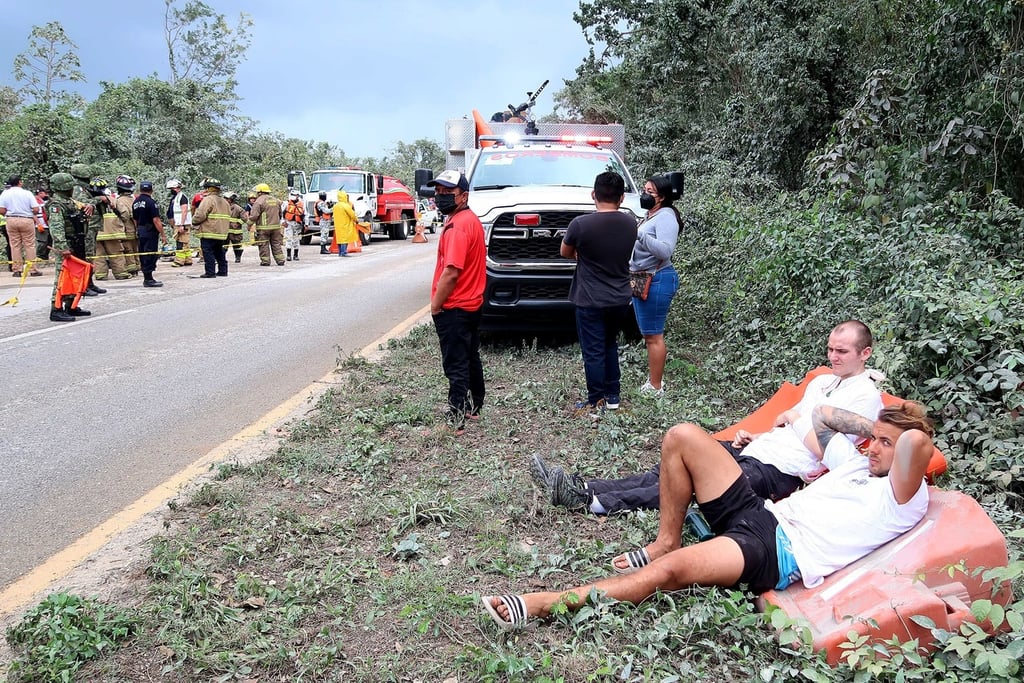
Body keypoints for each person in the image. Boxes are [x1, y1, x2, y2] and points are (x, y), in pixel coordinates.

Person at [482, 401, 935, 629]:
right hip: (761, 513)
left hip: (774, 552)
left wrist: (907, 427)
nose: (873, 447)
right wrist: (875, 428)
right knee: (682, 436)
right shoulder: (858, 461)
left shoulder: (902, 496)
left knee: (672, 572)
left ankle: (545, 603)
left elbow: (916, 445)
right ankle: (665, 538)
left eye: (884, 444)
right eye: (873, 439)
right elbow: (820, 417)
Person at [533, 321, 882, 515]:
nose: (832, 356)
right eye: (830, 349)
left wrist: (795, 417)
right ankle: (585, 486)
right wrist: (759, 437)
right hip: (760, 451)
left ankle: (594, 503)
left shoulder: (865, 397)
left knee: (693, 484)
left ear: (865, 353)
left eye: (842, 351)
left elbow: (828, 452)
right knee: (670, 469)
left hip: (781, 473)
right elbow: (790, 425)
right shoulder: (823, 381)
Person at [561, 171, 637, 415]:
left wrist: (580, 252)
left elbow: (565, 251)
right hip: (619, 298)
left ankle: (596, 400)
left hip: (590, 298)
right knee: (609, 345)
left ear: (594, 194)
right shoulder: (630, 222)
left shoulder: (580, 225)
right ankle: (613, 396)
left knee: (593, 350)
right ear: (622, 197)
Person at [427, 170, 487, 435]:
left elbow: (451, 271)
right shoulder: (470, 219)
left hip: (455, 307)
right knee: (470, 356)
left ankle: (456, 418)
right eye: (437, 192)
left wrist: (436, 305)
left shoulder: (458, 226)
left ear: (463, 196)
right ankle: (475, 406)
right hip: (472, 304)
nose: (440, 198)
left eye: (447, 193)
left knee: (456, 363)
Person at [632, 175, 681, 396]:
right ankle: (653, 381)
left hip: (658, 278)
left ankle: (656, 386)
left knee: (654, 336)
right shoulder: (650, 215)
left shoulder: (666, 217)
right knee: (649, 334)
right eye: (644, 190)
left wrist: (640, 236)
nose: (644, 195)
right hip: (643, 278)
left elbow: (665, 250)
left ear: (661, 197)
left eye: (650, 192)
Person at [44, 172, 89, 322]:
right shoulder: (56, 205)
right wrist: (63, 248)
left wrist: (89, 206)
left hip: (75, 242)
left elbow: (84, 207)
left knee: (75, 275)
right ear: (63, 188)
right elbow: (56, 229)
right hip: (66, 245)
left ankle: (71, 305)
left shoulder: (69, 201)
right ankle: (56, 308)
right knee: (62, 276)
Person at [69, 163, 107, 296]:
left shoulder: (83, 189)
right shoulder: (78, 189)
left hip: (91, 227)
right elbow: (83, 204)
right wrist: (98, 199)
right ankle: (84, 285)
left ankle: (89, 283)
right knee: (86, 256)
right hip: (86, 228)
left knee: (90, 256)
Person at [0, 174, 43, 277]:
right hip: (26, 219)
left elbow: (1, 210)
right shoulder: (27, 193)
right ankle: (32, 269)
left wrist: (10, 213)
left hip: (11, 219)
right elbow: (36, 209)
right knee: (29, 245)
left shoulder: (5, 194)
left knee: (14, 245)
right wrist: (29, 212)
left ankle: (17, 270)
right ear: (20, 182)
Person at [90, 177, 130, 281]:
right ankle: (121, 273)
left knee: (98, 255)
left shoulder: (89, 202)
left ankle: (101, 275)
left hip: (95, 234)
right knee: (116, 254)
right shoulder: (112, 200)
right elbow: (125, 215)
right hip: (113, 233)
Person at [192, 178, 232, 278]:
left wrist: (193, 221)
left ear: (209, 188)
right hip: (221, 233)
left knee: (208, 251)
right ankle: (223, 271)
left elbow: (200, 215)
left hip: (209, 231)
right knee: (219, 251)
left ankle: (210, 272)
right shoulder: (225, 201)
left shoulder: (208, 200)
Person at [131, 181, 168, 287]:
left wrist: (138, 229)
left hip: (141, 231)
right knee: (150, 254)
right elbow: (156, 220)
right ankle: (148, 279)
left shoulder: (136, 202)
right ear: (151, 190)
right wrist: (163, 234)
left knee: (143, 254)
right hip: (150, 231)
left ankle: (147, 277)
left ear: (140, 190)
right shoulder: (151, 202)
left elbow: (134, 219)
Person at [249, 183, 284, 266]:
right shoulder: (276, 200)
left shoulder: (258, 202)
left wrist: (249, 224)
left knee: (263, 244)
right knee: (276, 243)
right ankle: (280, 260)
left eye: (257, 192)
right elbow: (280, 214)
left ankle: (265, 261)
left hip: (263, 228)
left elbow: (254, 216)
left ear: (260, 192)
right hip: (276, 227)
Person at [165, 179, 193, 267]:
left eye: (172, 189)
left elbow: (184, 211)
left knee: (181, 242)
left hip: (183, 224)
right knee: (185, 242)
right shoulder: (176, 197)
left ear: (177, 188)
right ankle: (188, 259)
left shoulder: (182, 197)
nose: (171, 191)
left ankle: (179, 261)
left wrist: (182, 224)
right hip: (179, 223)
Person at [332, 190, 358, 257]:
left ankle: (340, 252)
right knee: (344, 239)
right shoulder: (346, 206)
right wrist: (356, 220)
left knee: (339, 239)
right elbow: (352, 215)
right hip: (345, 224)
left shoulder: (335, 206)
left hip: (337, 225)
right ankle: (344, 252)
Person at [282, 189, 305, 261]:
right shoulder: (286, 203)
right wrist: (283, 221)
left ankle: (296, 255)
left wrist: (306, 224)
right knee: (289, 239)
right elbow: (281, 213)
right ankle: (288, 255)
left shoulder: (302, 204)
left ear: (298, 196)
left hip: (298, 224)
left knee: (296, 240)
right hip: (288, 223)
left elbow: (305, 214)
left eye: (295, 195)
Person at [224, 192, 247, 263]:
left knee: (237, 246)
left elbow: (245, 218)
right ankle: (222, 258)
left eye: (226, 198)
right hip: (225, 231)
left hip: (235, 232)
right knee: (223, 246)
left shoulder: (238, 208)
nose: (224, 200)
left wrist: (237, 223)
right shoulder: (222, 208)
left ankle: (238, 257)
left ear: (230, 200)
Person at [34, 185, 51, 264]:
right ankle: (39, 256)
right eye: (45, 193)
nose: (46, 194)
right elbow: (33, 213)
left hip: (47, 223)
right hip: (40, 223)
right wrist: (38, 223)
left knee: (49, 241)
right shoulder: (34, 201)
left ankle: (45, 256)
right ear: (40, 193)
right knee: (42, 241)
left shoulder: (44, 201)